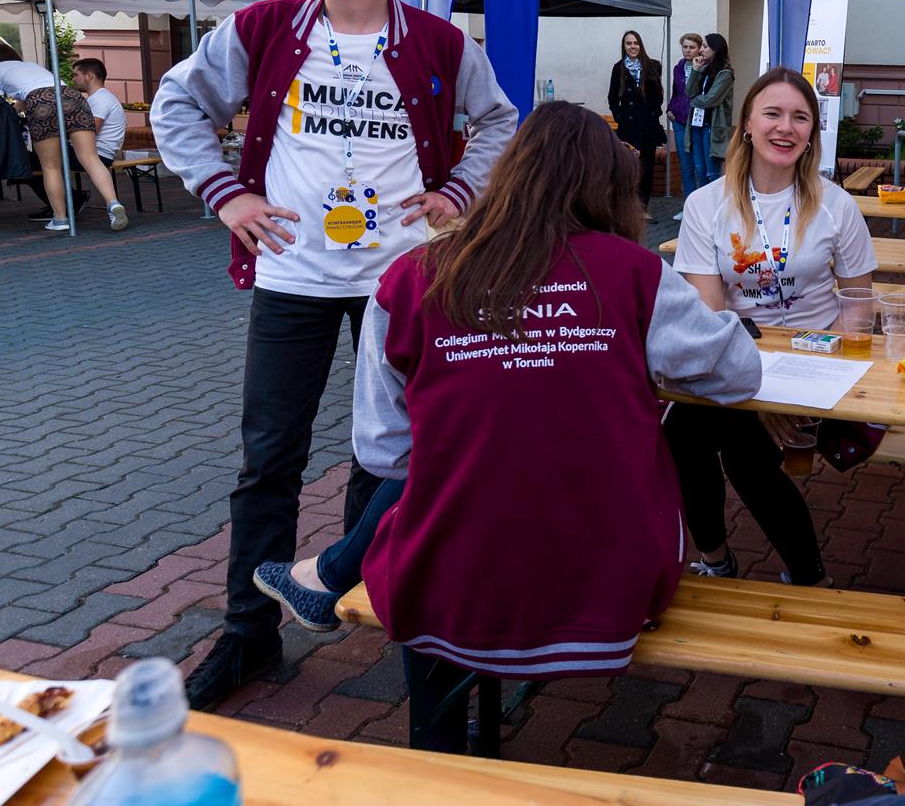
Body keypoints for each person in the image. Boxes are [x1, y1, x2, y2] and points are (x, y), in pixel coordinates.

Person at [251, 102, 762, 753]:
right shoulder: (636, 274)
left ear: (509, 173)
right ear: (612, 186)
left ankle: (439, 750)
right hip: (615, 583)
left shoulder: (409, 280)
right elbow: (739, 376)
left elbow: (383, 452)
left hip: (455, 585)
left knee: (428, 540)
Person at [149, 0, 516, 711]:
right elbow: (176, 105)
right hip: (293, 276)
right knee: (268, 461)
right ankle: (249, 633)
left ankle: (360, 598)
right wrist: (227, 193)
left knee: (390, 454)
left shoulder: (440, 43)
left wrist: (460, 192)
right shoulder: (265, 28)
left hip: (402, 283)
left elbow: (501, 121)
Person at [666, 66, 877, 586]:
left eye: (800, 117)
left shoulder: (837, 205)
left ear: (812, 133)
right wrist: (761, 395)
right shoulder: (705, 205)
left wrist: (805, 389)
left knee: (744, 455)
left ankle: (808, 576)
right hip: (738, 361)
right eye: (773, 114)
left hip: (818, 366)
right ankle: (716, 558)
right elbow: (711, 318)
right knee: (681, 433)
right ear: (746, 124)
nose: (786, 127)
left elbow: (857, 308)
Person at [0, 44, 128, 232]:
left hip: (41, 102)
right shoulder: (30, 66)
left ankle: (60, 218)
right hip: (72, 96)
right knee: (91, 159)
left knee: (51, 167)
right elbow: (38, 89)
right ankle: (113, 204)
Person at [607, 29, 665, 214]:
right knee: (628, 168)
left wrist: (654, 113)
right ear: (624, 46)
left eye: (635, 43)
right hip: (628, 126)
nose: (632, 46)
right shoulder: (618, 68)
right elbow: (612, 98)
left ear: (640, 45)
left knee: (646, 169)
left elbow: (658, 95)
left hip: (648, 126)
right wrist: (619, 116)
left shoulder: (653, 66)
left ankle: (643, 209)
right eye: (628, 43)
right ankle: (627, 208)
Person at [667, 31, 710, 221]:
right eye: (685, 47)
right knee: (686, 166)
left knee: (700, 166)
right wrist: (670, 109)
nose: (687, 50)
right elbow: (676, 92)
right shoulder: (679, 67)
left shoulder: (705, 67)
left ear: (699, 48)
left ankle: (703, 210)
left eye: (692, 47)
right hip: (679, 120)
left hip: (697, 121)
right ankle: (688, 208)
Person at [688, 32, 734, 180]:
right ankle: (703, 196)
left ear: (716, 49)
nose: (701, 50)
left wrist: (693, 101)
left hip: (712, 128)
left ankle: (714, 197)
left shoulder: (725, 73)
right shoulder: (704, 69)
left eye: (705, 46)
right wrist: (695, 70)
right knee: (700, 170)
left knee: (712, 172)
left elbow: (710, 100)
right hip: (697, 125)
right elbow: (689, 92)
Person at [71, 58, 129, 167]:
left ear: (89, 76)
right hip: (94, 153)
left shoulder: (101, 98)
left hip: (98, 156)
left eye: (76, 75)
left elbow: (89, 131)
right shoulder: (98, 97)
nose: (73, 79)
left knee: (42, 154)